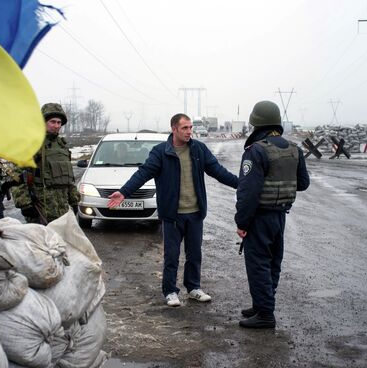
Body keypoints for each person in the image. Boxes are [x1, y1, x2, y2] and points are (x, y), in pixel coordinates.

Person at [107, 113, 238, 307]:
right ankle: (170, 291)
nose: (189, 132)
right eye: (185, 128)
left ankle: (193, 288)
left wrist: (241, 184)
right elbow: (143, 173)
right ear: (174, 129)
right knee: (172, 255)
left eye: (190, 128)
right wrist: (124, 192)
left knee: (194, 254)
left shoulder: (199, 150)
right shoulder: (161, 152)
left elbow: (219, 172)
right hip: (172, 214)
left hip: (195, 213)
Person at [234, 101, 310, 329]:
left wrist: (242, 222)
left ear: (256, 123)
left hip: (259, 218)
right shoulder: (294, 149)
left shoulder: (256, 151)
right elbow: (303, 183)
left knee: (258, 265)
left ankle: (265, 314)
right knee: (272, 263)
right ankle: (262, 304)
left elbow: (248, 192)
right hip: (280, 216)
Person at [11, 102, 80, 224]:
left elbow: (68, 178)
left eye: (59, 123)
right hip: (41, 210)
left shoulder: (61, 146)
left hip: (62, 210)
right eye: (52, 122)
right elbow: (17, 175)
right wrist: (25, 204)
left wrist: (74, 201)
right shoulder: (33, 144)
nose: (56, 126)